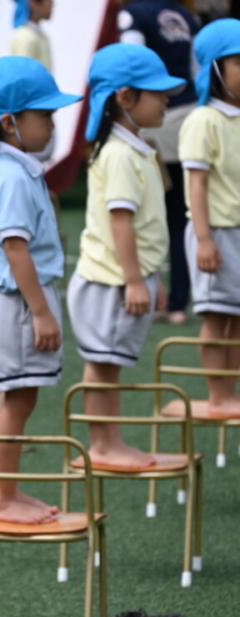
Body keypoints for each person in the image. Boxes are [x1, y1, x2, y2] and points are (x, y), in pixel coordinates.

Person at [0, 56, 80, 523]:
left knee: (22, 398)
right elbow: (16, 251)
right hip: (14, 304)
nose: (53, 125)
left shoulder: (15, 167)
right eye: (45, 115)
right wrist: (42, 312)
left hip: (18, 301)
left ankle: (8, 491)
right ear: (10, 123)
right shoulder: (10, 174)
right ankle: (2, 498)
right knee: (17, 399)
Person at [68, 43, 184, 469]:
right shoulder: (119, 154)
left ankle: (109, 441)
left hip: (124, 278)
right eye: (157, 92)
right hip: (110, 282)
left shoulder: (134, 146)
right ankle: (102, 445)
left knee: (109, 365)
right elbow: (121, 223)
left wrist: (149, 278)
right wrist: (135, 280)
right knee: (103, 366)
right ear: (125, 98)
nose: (167, 98)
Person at [119, 0, 200, 325]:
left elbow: (130, 64)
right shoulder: (185, 15)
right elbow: (197, 71)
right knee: (183, 214)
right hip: (190, 114)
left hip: (157, 120)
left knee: (149, 211)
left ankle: (149, 293)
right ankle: (178, 302)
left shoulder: (135, 13)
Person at [180, 19, 240, 418]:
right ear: (216, 69)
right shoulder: (204, 120)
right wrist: (203, 239)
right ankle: (218, 394)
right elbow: (197, 185)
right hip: (216, 232)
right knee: (217, 316)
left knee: (237, 319)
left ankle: (230, 393)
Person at [10, 0, 53, 71]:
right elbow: (23, 74)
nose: (52, 4)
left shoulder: (38, 35)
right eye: (49, 0)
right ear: (33, 3)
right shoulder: (25, 37)